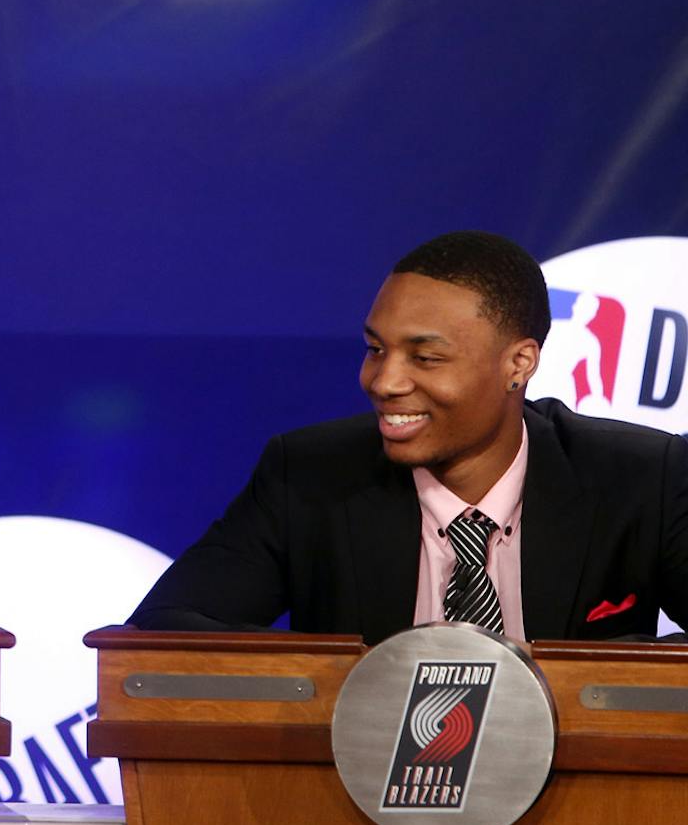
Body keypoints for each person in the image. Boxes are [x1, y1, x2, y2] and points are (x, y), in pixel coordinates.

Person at [131, 230, 688, 642]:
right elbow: (163, 633)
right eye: (376, 349)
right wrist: (356, 682)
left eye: (425, 357)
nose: (384, 381)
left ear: (518, 363)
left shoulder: (638, 477)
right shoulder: (308, 475)